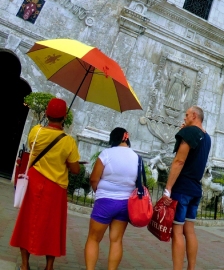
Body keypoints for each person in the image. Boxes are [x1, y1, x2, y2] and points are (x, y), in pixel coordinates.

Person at [10, 98, 81, 270]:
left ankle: (25, 265)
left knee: (27, 221)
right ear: (64, 117)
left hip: (33, 182)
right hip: (55, 188)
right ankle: (49, 267)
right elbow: (75, 169)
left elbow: (33, 149)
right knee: (53, 227)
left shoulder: (36, 131)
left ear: (47, 114)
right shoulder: (68, 141)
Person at [161, 106, 212, 270]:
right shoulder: (207, 137)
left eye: (187, 115)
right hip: (195, 190)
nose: (184, 118)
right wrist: (184, 134)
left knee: (176, 231)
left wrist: (168, 188)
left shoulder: (189, 134)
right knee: (189, 231)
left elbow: (179, 161)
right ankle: (191, 268)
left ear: (194, 116)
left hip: (182, 188)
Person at [85, 128, 139, 270]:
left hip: (105, 202)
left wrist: (100, 192)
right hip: (125, 204)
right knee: (116, 240)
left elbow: (93, 179)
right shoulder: (137, 158)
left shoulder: (106, 154)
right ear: (126, 138)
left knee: (93, 238)